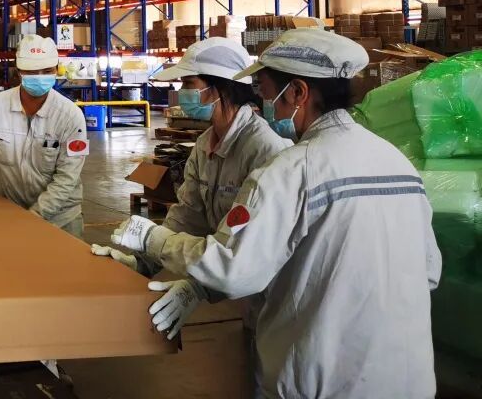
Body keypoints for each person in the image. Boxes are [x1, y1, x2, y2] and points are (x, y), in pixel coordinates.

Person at [112, 29, 442, 398]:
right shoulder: (398, 162)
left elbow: (232, 270)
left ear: (299, 92)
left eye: (269, 93)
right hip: (407, 378)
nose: (265, 104)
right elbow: (429, 271)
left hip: (325, 381)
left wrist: (153, 239)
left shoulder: (291, 170)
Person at [91, 37, 292, 340]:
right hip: (243, 296)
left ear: (221, 88)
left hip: (275, 291)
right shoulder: (204, 144)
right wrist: (143, 260)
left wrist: (198, 286)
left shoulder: (264, 150)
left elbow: (255, 249)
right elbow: (188, 215)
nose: (182, 92)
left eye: (189, 83)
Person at [0, 34, 89, 237]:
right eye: (32, 72)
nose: (39, 77)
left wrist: (36, 215)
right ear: (19, 72)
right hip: (9, 212)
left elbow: (67, 177)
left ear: (56, 69)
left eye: (47, 71)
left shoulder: (70, 116)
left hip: (60, 220)